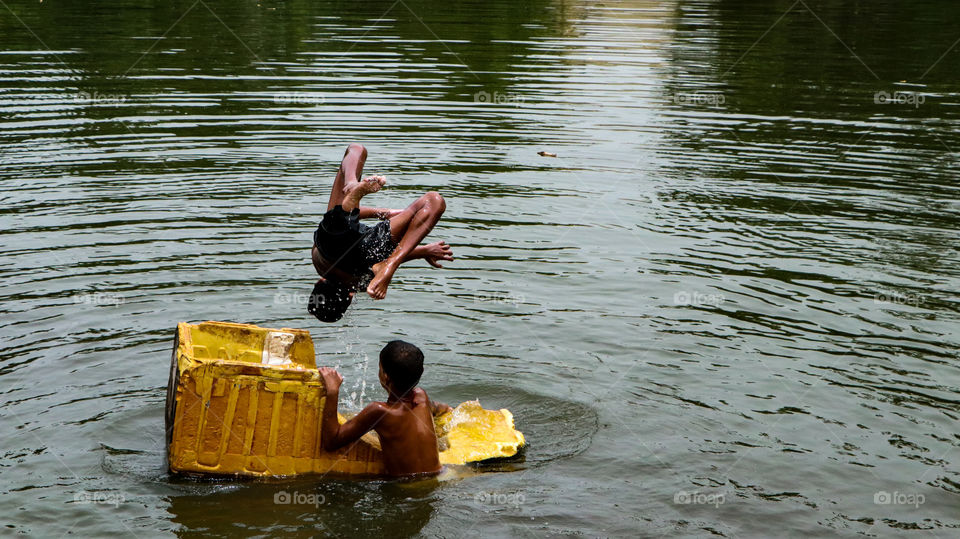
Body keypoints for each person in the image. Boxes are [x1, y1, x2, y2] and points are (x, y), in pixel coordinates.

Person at [309, 144, 453, 322]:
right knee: (356, 150)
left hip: (365, 254)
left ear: (351, 297)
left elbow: (371, 260)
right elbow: (348, 220)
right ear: (319, 282)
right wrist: (386, 213)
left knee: (434, 201)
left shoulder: (364, 285)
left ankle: (390, 265)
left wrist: (423, 251)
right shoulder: (318, 264)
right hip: (328, 247)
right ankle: (351, 184)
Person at [318, 340, 453, 477]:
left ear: (385, 376)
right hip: (441, 475)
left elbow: (332, 442)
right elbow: (440, 408)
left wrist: (332, 391)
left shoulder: (379, 411)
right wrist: (447, 410)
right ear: (420, 373)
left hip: (406, 486)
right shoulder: (422, 397)